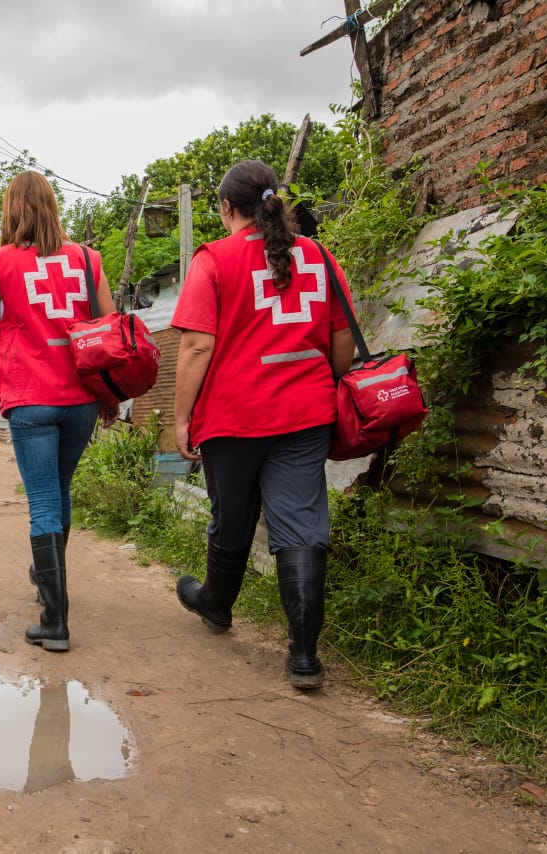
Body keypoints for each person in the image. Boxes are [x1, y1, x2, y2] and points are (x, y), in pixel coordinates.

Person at [171, 159, 356, 690]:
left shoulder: (213, 260)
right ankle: (303, 657)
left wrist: (183, 418)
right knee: (301, 527)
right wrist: (320, 378)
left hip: (233, 417)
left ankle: (216, 604)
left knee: (231, 518)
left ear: (228, 209)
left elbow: (196, 346)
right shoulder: (320, 257)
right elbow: (342, 340)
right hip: (305, 417)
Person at [0, 170, 117, 653]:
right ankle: (44, 575)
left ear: (11, 209)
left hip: (31, 397)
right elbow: (109, 334)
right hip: (81, 400)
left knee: (45, 502)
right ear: (54, 206)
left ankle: (55, 619)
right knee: (59, 490)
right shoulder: (88, 261)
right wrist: (111, 397)